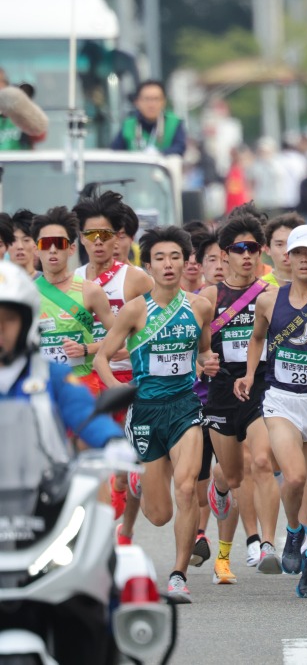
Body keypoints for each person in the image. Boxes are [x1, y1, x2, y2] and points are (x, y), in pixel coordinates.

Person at [0, 261, 124, 665]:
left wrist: (114, 443)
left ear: (26, 322)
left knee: (98, 567)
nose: (0, 329)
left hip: (44, 499)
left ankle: (110, 648)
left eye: (7, 320)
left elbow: (85, 414)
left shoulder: (50, 375)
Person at [94, 226, 219, 604]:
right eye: (160, 258)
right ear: (148, 264)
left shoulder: (199, 306)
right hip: (145, 411)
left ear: (186, 262)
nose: (168, 265)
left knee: (186, 489)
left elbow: (203, 351)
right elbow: (102, 356)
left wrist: (205, 361)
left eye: (175, 257)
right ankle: (137, 483)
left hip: (184, 407)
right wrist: (114, 388)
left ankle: (178, 575)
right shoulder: (135, 309)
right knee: (159, 514)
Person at [233, 225, 307, 598]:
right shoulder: (268, 300)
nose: (304, 260)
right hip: (280, 399)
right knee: (293, 478)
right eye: (297, 253)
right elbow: (257, 337)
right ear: (286, 259)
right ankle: (293, 530)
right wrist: (248, 373)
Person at [199, 210, 282, 582]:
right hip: (219, 393)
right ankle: (218, 485)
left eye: (253, 248)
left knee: (261, 461)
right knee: (233, 475)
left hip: (261, 387)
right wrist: (203, 361)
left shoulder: (271, 293)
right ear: (225, 253)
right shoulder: (207, 297)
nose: (247, 256)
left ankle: (267, 543)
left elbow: (284, 339)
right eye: (239, 249)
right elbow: (191, 348)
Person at [72, 192, 154, 521]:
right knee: (91, 458)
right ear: (81, 238)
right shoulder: (74, 279)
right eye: (91, 236)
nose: (99, 243)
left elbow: (152, 328)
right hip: (90, 381)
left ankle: (121, 494)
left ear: (117, 237)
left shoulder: (134, 278)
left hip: (131, 379)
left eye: (106, 235)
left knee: (123, 469)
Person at [31, 206, 116, 394]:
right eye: (45, 244)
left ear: (71, 249)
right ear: (36, 249)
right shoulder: (27, 294)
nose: (52, 250)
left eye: (59, 243)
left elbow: (121, 338)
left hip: (82, 386)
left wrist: (88, 348)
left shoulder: (90, 290)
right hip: (41, 387)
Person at [111, 80, 186, 155]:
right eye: (147, 99)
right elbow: (115, 152)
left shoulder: (174, 122)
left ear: (163, 102)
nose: (151, 105)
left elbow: (180, 148)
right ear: (137, 102)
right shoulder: (128, 124)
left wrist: (160, 154)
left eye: (156, 99)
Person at [0, 67, 48, 149]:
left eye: (2, 81)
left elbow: (40, 134)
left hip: (21, 161)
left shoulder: (18, 109)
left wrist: (22, 102)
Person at [11, 209, 38, 277]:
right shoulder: (3, 283)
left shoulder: (48, 283)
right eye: (14, 240)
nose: (20, 246)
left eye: (26, 240)